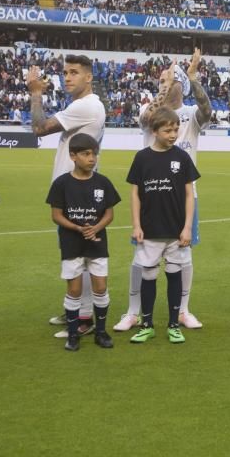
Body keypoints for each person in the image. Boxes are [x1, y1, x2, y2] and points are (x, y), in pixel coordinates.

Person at [116, 49, 212, 332]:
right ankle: (134, 312)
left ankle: (182, 310)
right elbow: (146, 120)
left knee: (185, 254)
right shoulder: (151, 111)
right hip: (150, 200)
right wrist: (165, 86)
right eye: (160, 81)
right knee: (141, 257)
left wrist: (191, 77)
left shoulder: (191, 114)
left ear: (181, 84)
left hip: (184, 198)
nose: (164, 84)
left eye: (169, 80)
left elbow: (207, 110)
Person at [28, 56, 106, 337]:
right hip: (75, 187)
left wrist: (36, 92)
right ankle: (78, 310)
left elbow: (39, 128)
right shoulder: (83, 105)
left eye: (74, 72)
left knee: (79, 256)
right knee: (75, 255)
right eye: (66, 72)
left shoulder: (86, 105)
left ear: (89, 77)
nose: (68, 77)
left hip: (79, 190)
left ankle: (83, 318)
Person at [125, 108, 200, 344]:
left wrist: (187, 227)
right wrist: (136, 225)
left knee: (174, 274)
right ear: (154, 131)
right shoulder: (142, 158)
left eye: (176, 129)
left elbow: (190, 195)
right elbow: (135, 193)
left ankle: (173, 324)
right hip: (149, 230)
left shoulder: (182, 157)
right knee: (148, 274)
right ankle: (146, 324)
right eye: (167, 130)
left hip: (176, 231)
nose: (173, 134)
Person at [45, 133, 120, 351]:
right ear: (73, 156)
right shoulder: (62, 183)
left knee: (101, 287)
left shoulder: (103, 182)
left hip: (97, 243)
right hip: (72, 244)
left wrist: (96, 227)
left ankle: (101, 331)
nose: (92, 158)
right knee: (74, 290)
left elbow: (109, 213)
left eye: (94, 154)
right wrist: (78, 228)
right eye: (86, 154)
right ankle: (73, 334)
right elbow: (56, 215)